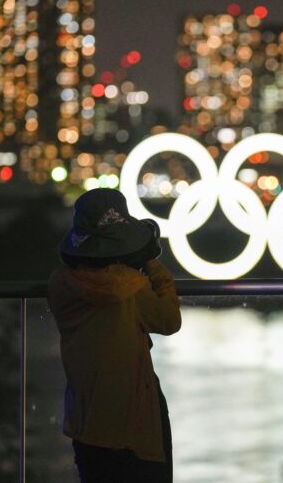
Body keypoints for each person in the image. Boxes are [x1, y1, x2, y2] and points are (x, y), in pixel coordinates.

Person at [48, 188, 181, 483]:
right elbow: (169, 321)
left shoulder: (60, 283)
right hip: (133, 420)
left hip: (86, 418)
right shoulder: (132, 287)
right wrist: (153, 264)